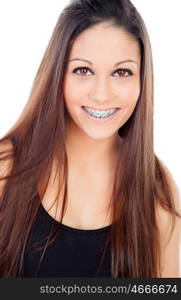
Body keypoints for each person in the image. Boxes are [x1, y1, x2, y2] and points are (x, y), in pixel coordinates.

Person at [0, 0, 180, 278]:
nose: (101, 94)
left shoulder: (158, 189)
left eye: (122, 72)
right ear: (57, 74)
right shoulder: (6, 168)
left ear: (142, 80)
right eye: (83, 70)